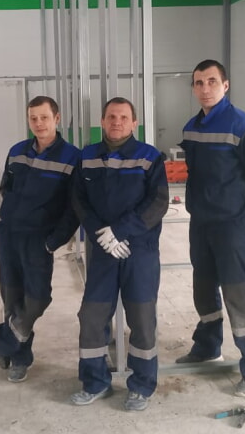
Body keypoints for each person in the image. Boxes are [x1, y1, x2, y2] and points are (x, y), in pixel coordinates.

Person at [176, 59, 245, 398]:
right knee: (203, 288)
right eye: (199, 82)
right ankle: (208, 346)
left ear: (225, 85)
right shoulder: (191, 127)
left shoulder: (244, 126)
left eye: (211, 81)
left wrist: (242, 206)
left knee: (238, 293)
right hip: (200, 222)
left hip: (231, 225)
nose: (205, 88)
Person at [70, 97, 169, 412]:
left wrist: (121, 231)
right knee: (92, 316)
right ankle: (95, 382)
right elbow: (79, 200)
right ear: (102, 121)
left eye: (124, 117)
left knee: (142, 318)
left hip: (139, 251)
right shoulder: (87, 157)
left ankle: (141, 386)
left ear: (134, 123)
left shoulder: (150, 157)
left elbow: (158, 203)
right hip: (102, 251)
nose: (117, 122)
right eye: (111, 116)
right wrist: (102, 234)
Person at [0, 96, 80, 383]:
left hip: (40, 239)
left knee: (38, 298)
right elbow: (6, 187)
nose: (39, 123)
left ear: (56, 118)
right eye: (33, 118)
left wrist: (54, 241)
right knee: (12, 297)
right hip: (11, 235)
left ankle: (3, 338)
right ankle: (19, 358)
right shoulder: (17, 151)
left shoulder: (72, 157)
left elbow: (74, 208)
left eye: (44, 117)